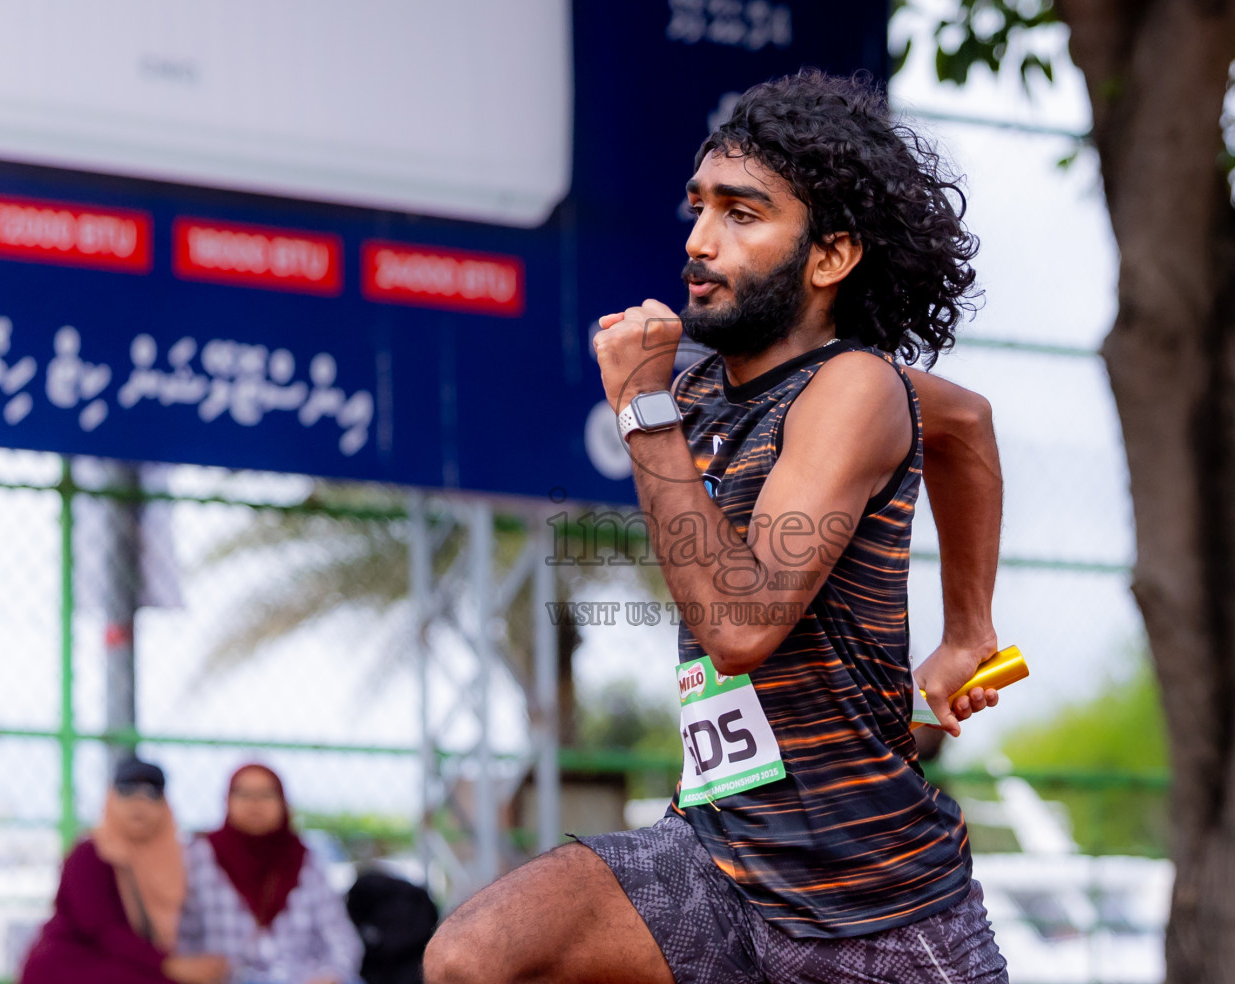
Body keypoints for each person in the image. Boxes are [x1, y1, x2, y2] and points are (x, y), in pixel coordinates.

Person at [425, 69, 1007, 984]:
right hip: (719, 859)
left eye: (742, 214)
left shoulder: (852, 389)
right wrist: (969, 630)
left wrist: (645, 413)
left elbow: (741, 627)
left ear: (829, 258)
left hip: (870, 909)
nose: (699, 241)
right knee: (475, 956)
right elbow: (968, 422)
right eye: (698, 209)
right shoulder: (697, 377)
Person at [20, 758, 229, 984]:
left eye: (151, 793)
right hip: (75, 964)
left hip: (134, 964)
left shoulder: (177, 858)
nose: (139, 802)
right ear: (111, 799)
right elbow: (101, 930)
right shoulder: (90, 854)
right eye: (127, 790)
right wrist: (169, 966)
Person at [177, 763, 363, 984]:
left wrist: (332, 975)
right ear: (227, 801)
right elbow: (180, 938)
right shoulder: (199, 857)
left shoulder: (305, 860)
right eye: (244, 794)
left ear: (283, 803)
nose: (255, 803)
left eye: (266, 794)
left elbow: (340, 937)